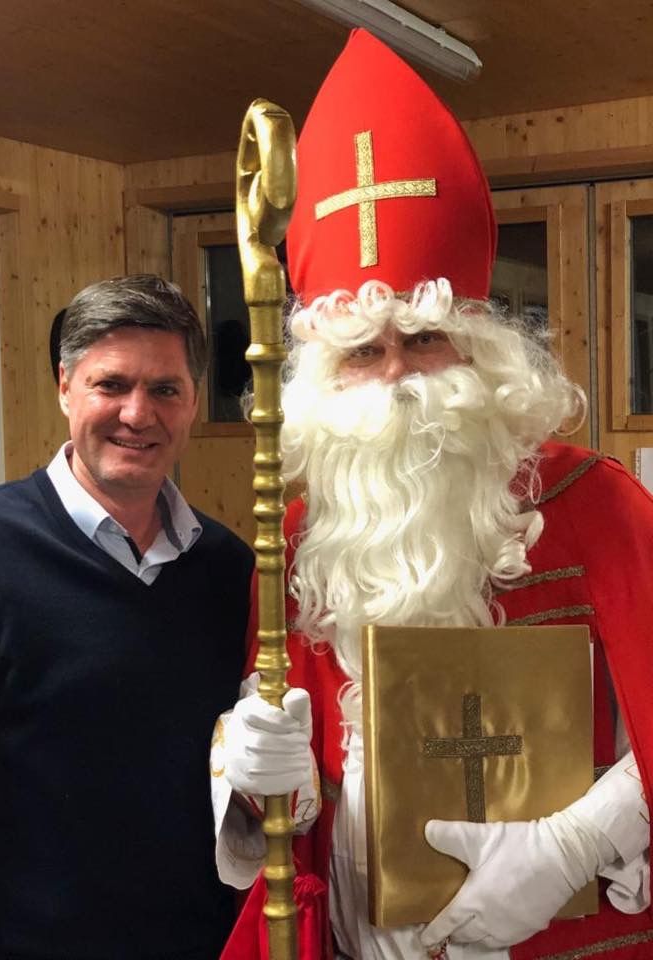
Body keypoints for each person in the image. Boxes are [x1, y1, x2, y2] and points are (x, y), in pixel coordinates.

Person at [212, 30, 653, 960]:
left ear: (481, 351)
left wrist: (576, 843)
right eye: (363, 350)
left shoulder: (597, 503)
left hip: (559, 933)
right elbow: (298, 768)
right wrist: (250, 774)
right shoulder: (307, 532)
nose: (398, 376)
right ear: (327, 376)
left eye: (423, 338)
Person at [0, 274, 254, 959]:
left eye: (165, 389)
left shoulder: (228, 569)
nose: (138, 414)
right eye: (111, 385)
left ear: (194, 401)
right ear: (64, 387)